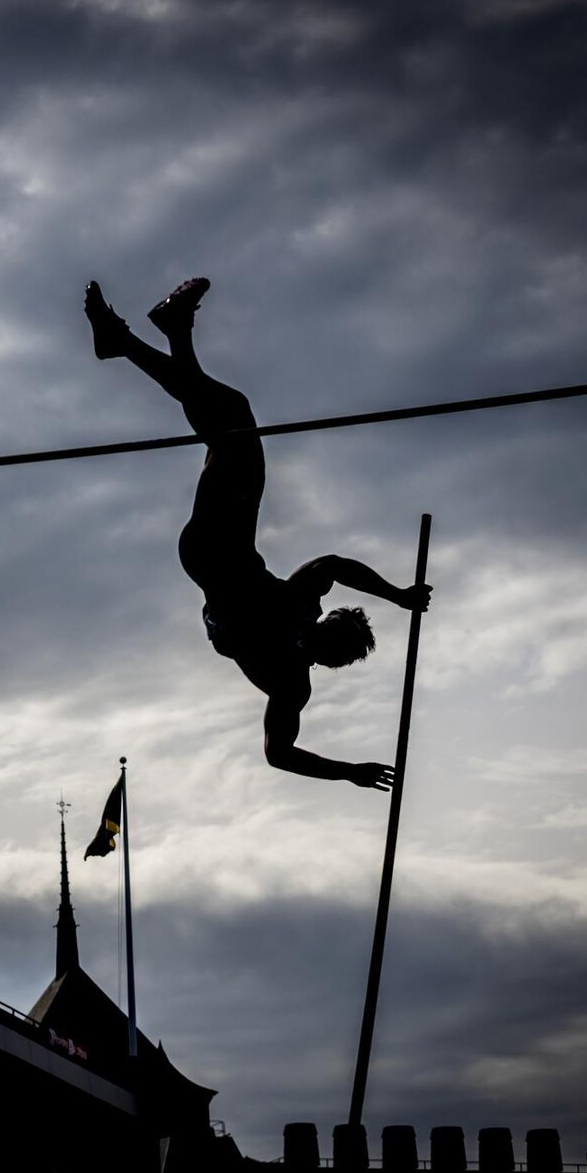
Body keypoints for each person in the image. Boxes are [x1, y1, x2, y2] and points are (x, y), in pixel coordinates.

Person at [85, 277, 430, 791]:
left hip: (218, 554)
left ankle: (150, 338)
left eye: (334, 632)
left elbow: (279, 754)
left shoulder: (293, 674)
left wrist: (349, 773)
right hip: (220, 551)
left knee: (233, 425)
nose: (326, 623)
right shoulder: (298, 625)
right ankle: (140, 340)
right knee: (228, 424)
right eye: (334, 623)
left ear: (332, 652)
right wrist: (397, 595)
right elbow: (334, 565)